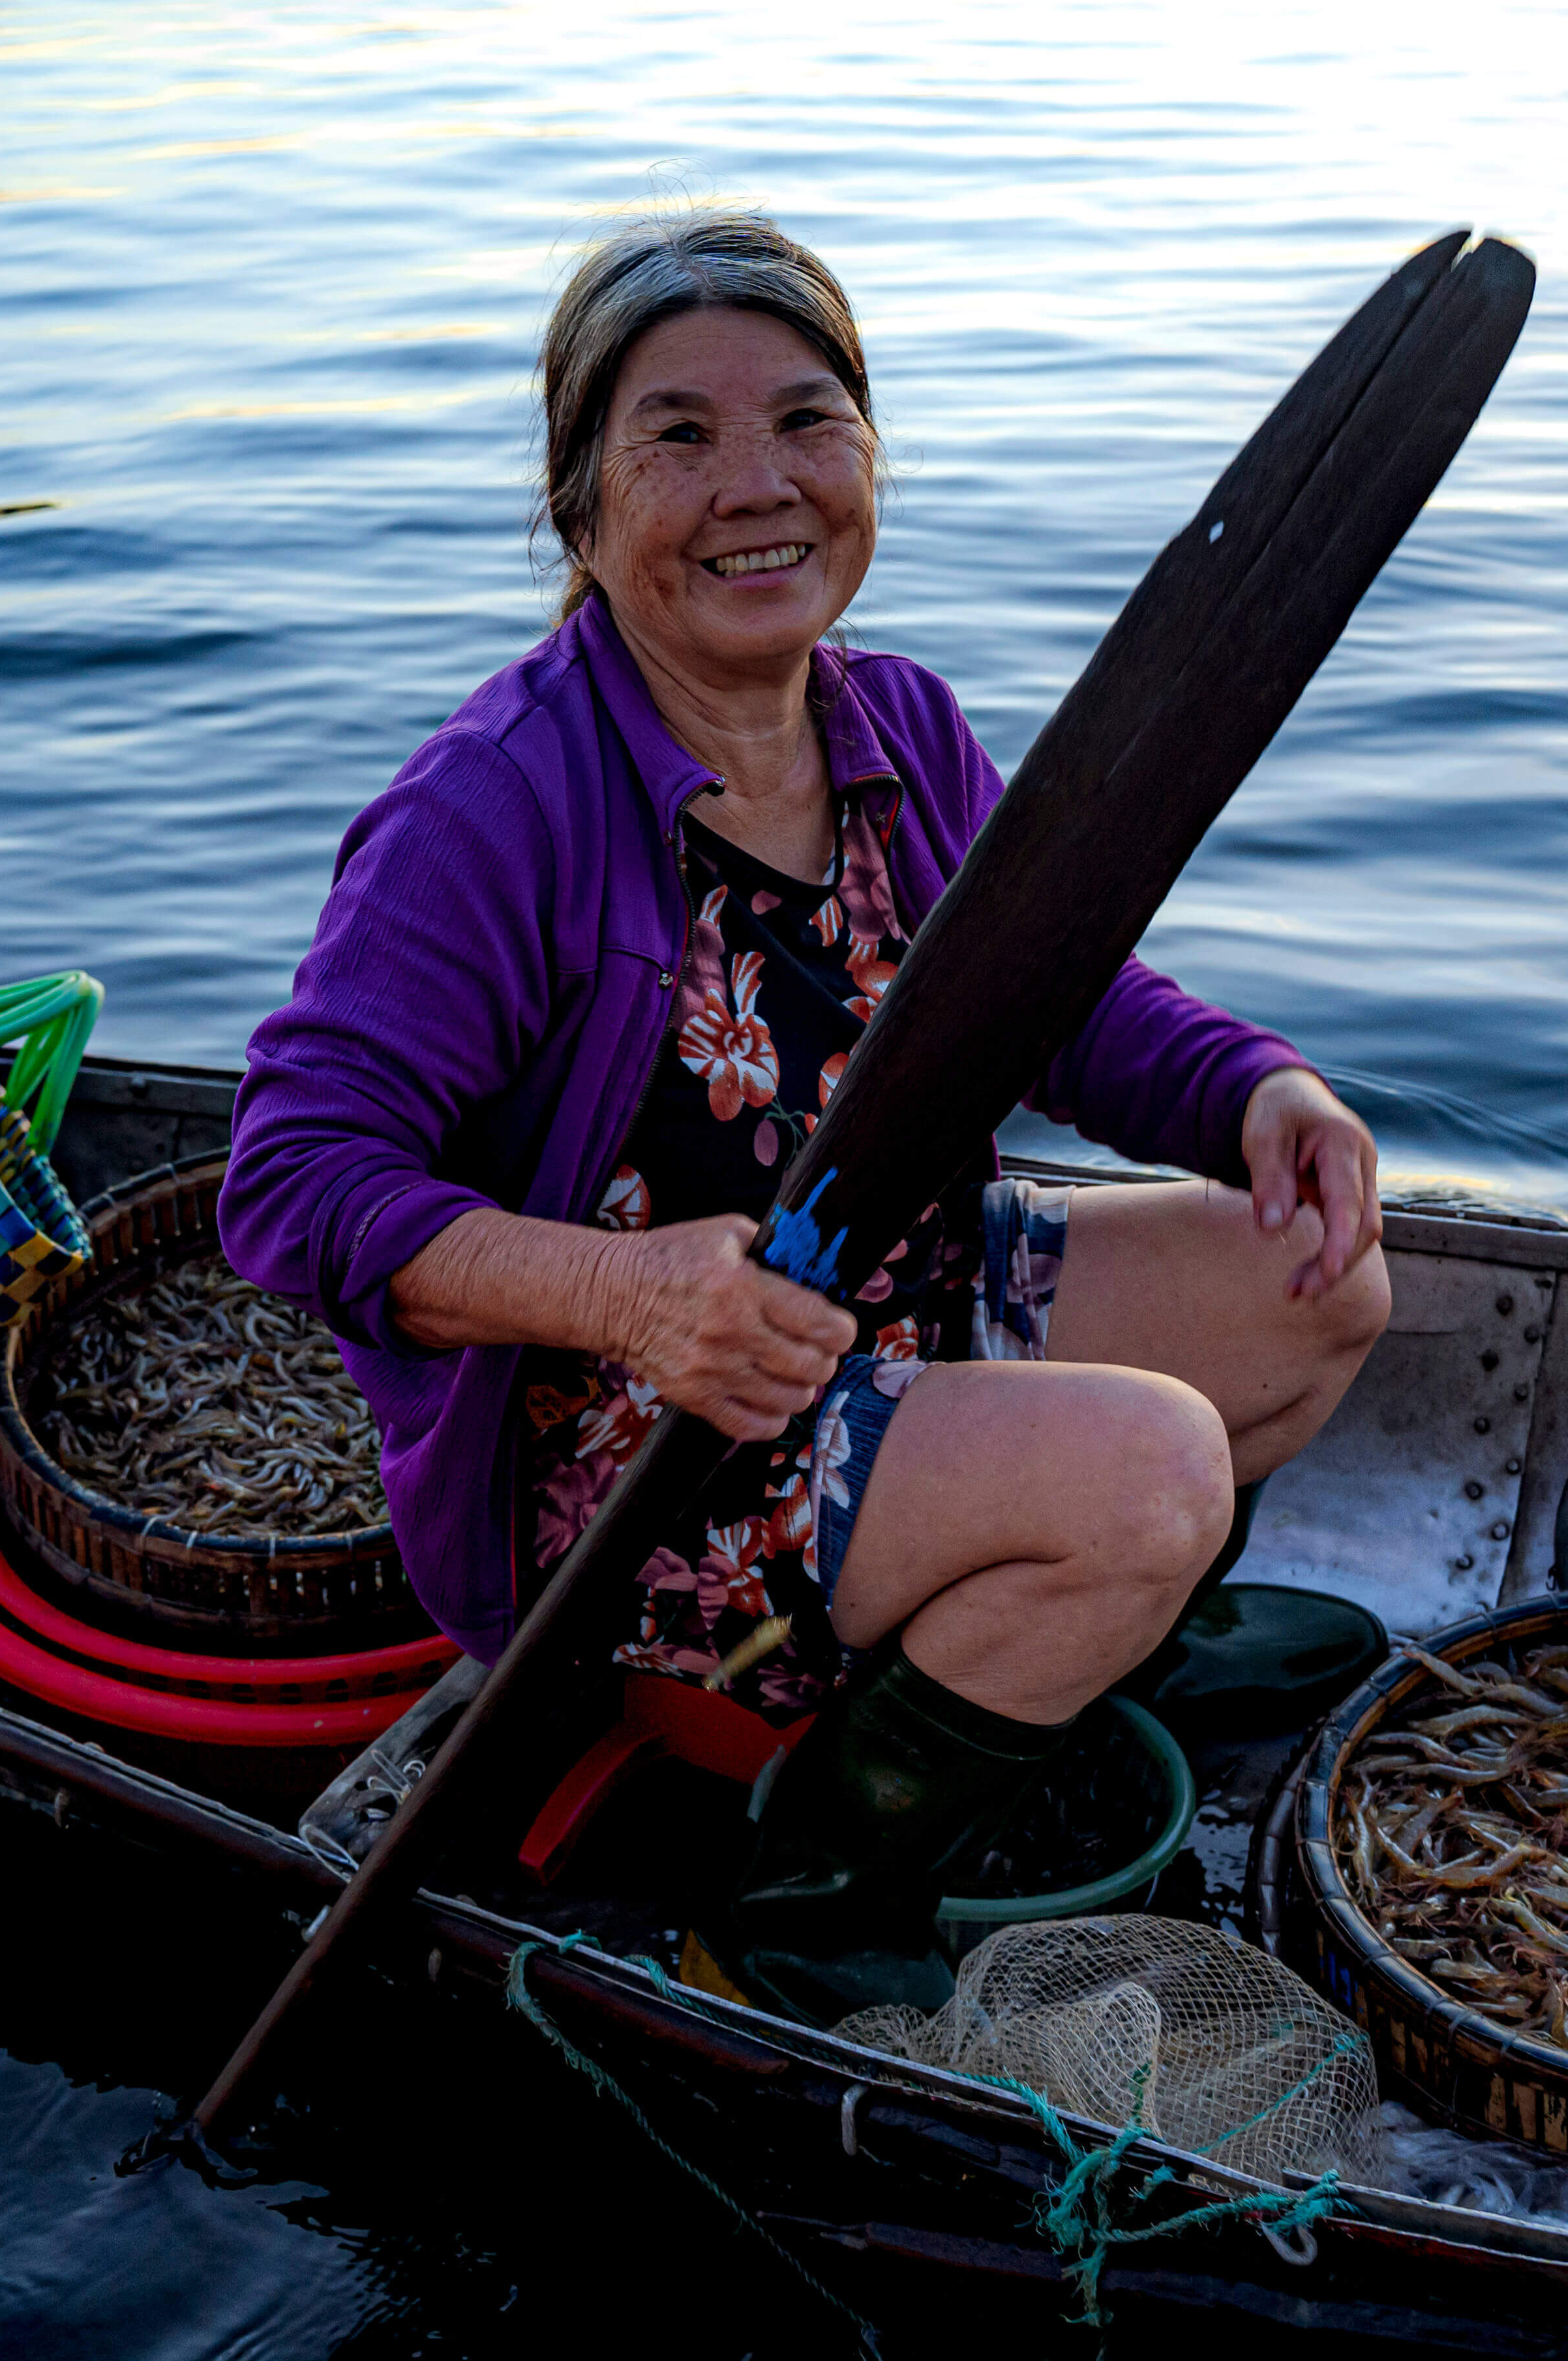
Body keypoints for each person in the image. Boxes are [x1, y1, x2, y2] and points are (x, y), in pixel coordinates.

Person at [223, 210, 1391, 2021]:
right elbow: (292, 1187)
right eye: (677, 434)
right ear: (581, 504)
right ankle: (805, 1881)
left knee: (1317, 1280)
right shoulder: (491, 809)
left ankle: (1099, 1647)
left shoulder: (899, 728)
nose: (755, 484)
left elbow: (1057, 999)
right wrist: (629, 1298)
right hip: (638, 1460)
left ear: (868, 455)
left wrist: (1262, 1088)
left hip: (884, 1286)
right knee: (1152, 1468)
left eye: (809, 420)